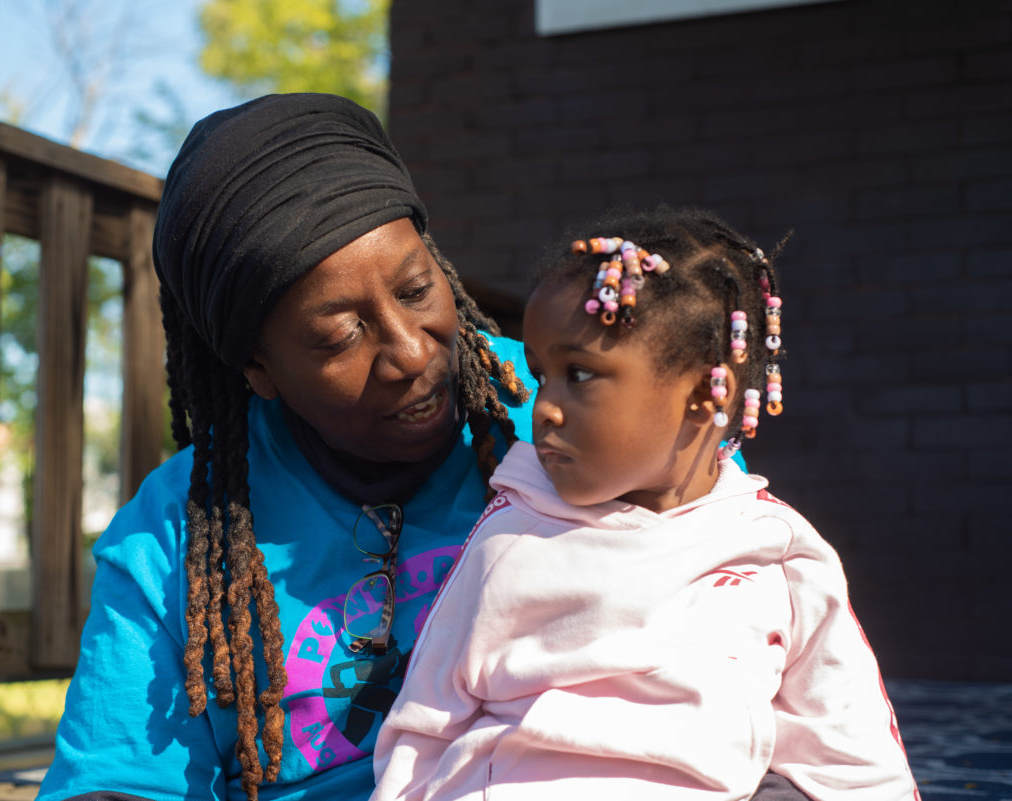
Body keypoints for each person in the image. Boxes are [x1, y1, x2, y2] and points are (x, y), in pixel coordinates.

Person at [35, 96, 810, 801]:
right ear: (260, 370)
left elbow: (760, 637)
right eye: (341, 333)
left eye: (415, 290)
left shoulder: (581, 414)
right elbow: (116, 783)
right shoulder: (177, 538)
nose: (410, 351)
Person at [371, 207, 919, 801]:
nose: (545, 405)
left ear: (706, 394)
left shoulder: (776, 553)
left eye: (579, 375)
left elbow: (848, 741)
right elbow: (427, 715)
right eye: (540, 374)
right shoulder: (512, 534)